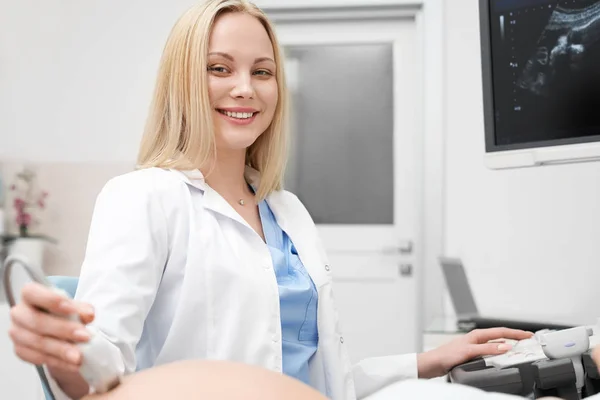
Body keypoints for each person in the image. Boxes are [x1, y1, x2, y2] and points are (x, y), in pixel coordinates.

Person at [7, 0, 533, 399]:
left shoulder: (287, 211)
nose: (246, 88)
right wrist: (60, 349)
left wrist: (429, 360)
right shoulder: (145, 197)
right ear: (183, 81)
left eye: (262, 72)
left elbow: (322, 379)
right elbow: (103, 370)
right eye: (219, 68)